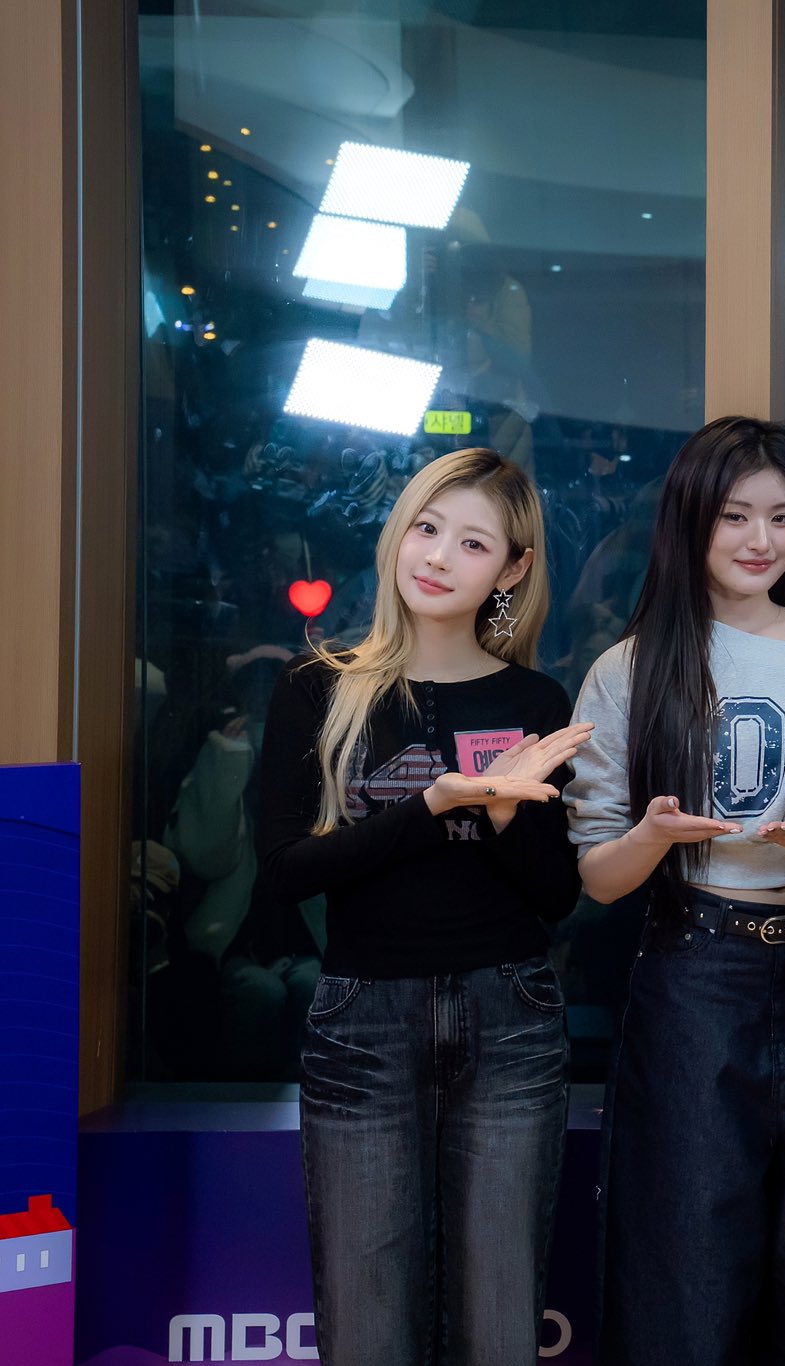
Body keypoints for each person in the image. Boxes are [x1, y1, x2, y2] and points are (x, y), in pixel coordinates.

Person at [566, 416, 785, 1364]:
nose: (761, 540)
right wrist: (653, 838)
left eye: (782, 517)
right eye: (735, 516)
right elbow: (598, 876)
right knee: (687, 1268)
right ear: (691, 520)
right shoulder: (632, 666)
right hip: (698, 972)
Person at [257, 447, 589, 1365]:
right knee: (367, 1328)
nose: (438, 556)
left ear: (511, 571)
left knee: (499, 1327)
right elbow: (284, 871)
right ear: (398, 533)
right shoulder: (317, 687)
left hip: (511, 1020)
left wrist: (501, 816)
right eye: (427, 527)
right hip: (362, 1020)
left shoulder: (533, 698)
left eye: (473, 543)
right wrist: (433, 806)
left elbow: (557, 895)